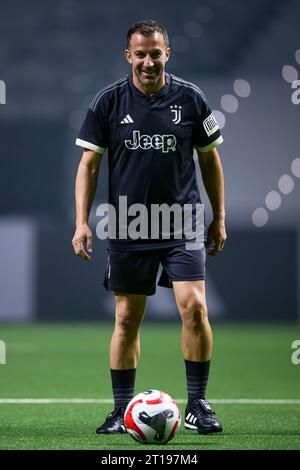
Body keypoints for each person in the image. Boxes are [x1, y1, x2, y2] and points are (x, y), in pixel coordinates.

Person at [72, 20, 227, 435]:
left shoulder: (191, 98)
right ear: (128, 56)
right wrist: (81, 222)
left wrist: (219, 217)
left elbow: (210, 160)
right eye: (139, 54)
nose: (147, 61)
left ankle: (197, 405)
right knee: (126, 318)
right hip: (128, 223)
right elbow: (88, 165)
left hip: (183, 221)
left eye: (155, 53)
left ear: (167, 54)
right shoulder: (108, 101)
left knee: (194, 307)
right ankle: (122, 411)